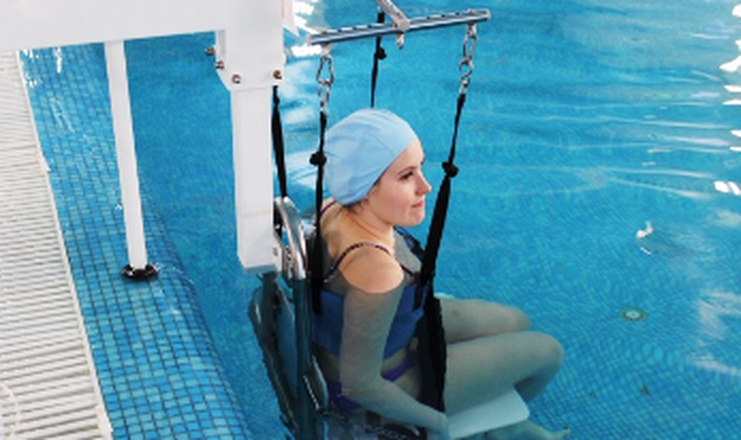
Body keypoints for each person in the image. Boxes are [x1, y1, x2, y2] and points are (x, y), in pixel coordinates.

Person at [311, 108, 569, 440]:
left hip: (398, 329)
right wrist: (435, 422)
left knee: (516, 321)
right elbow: (359, 385)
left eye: (420, 167)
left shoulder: (332, 207)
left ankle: (503, 421)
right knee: (549, 353)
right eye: (406, 176)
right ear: (366, 188)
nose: (426, 186)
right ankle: (505, 428)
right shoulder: (376, 272)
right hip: (393, 383)